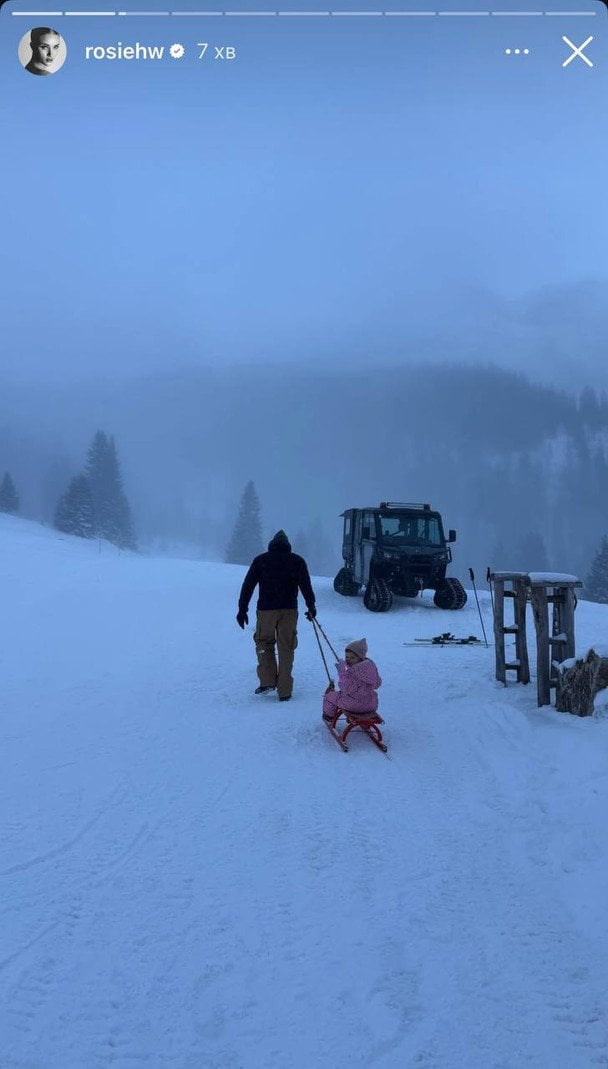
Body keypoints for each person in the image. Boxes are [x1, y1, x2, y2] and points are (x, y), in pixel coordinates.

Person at [236, 530, 316, 702]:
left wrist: (242, 609)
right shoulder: (297, 561)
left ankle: (267, 681)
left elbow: (247, 585)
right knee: (286, 647)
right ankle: (285, 691)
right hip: (289, 610)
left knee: (264, 642)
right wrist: (311, 606)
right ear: (288, 546)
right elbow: (306, 585)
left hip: (266, 610)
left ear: (272, 545)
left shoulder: (261, 560)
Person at [322, 638, 382, 723]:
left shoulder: (353, 672)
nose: (348, 659)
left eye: (352, 657)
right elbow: (378, 683)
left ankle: (329, 716)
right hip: (371, 704)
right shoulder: (371, 667)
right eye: (347, 657)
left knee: (330, 697)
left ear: (360, 658)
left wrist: (342, 672)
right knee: (353, 697)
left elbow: (345, 689)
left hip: (354, 705)